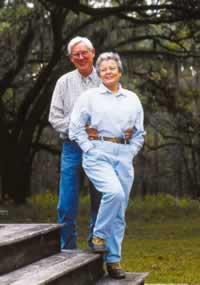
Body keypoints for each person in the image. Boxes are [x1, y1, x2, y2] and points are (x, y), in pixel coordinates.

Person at [69, 52, 145, 279]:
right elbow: (75, 128)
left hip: (123, 154)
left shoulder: (132, 98)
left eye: (112, 68)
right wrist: (90, 149)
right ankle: (98, 236)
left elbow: (140, 133)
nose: (108, 72)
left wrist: (130, 152)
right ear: (99, 74)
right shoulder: (89, 97)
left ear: (120, 72)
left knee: (120, 212)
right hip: (97, 152)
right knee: (114, 194)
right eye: (104, 69)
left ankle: (114, 261)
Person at [48, 36, 102, 250]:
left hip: (99, 148)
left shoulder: (106, 78)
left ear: (93, 53)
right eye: (75, 55)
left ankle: (96, 246)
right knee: (66, 202)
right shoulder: (63, 82)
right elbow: (54, 117)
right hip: (72, 147)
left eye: (84, 53)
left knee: (99, 199)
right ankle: (67, 249)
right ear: (71, 58)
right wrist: (78, 129)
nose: (81, 57)